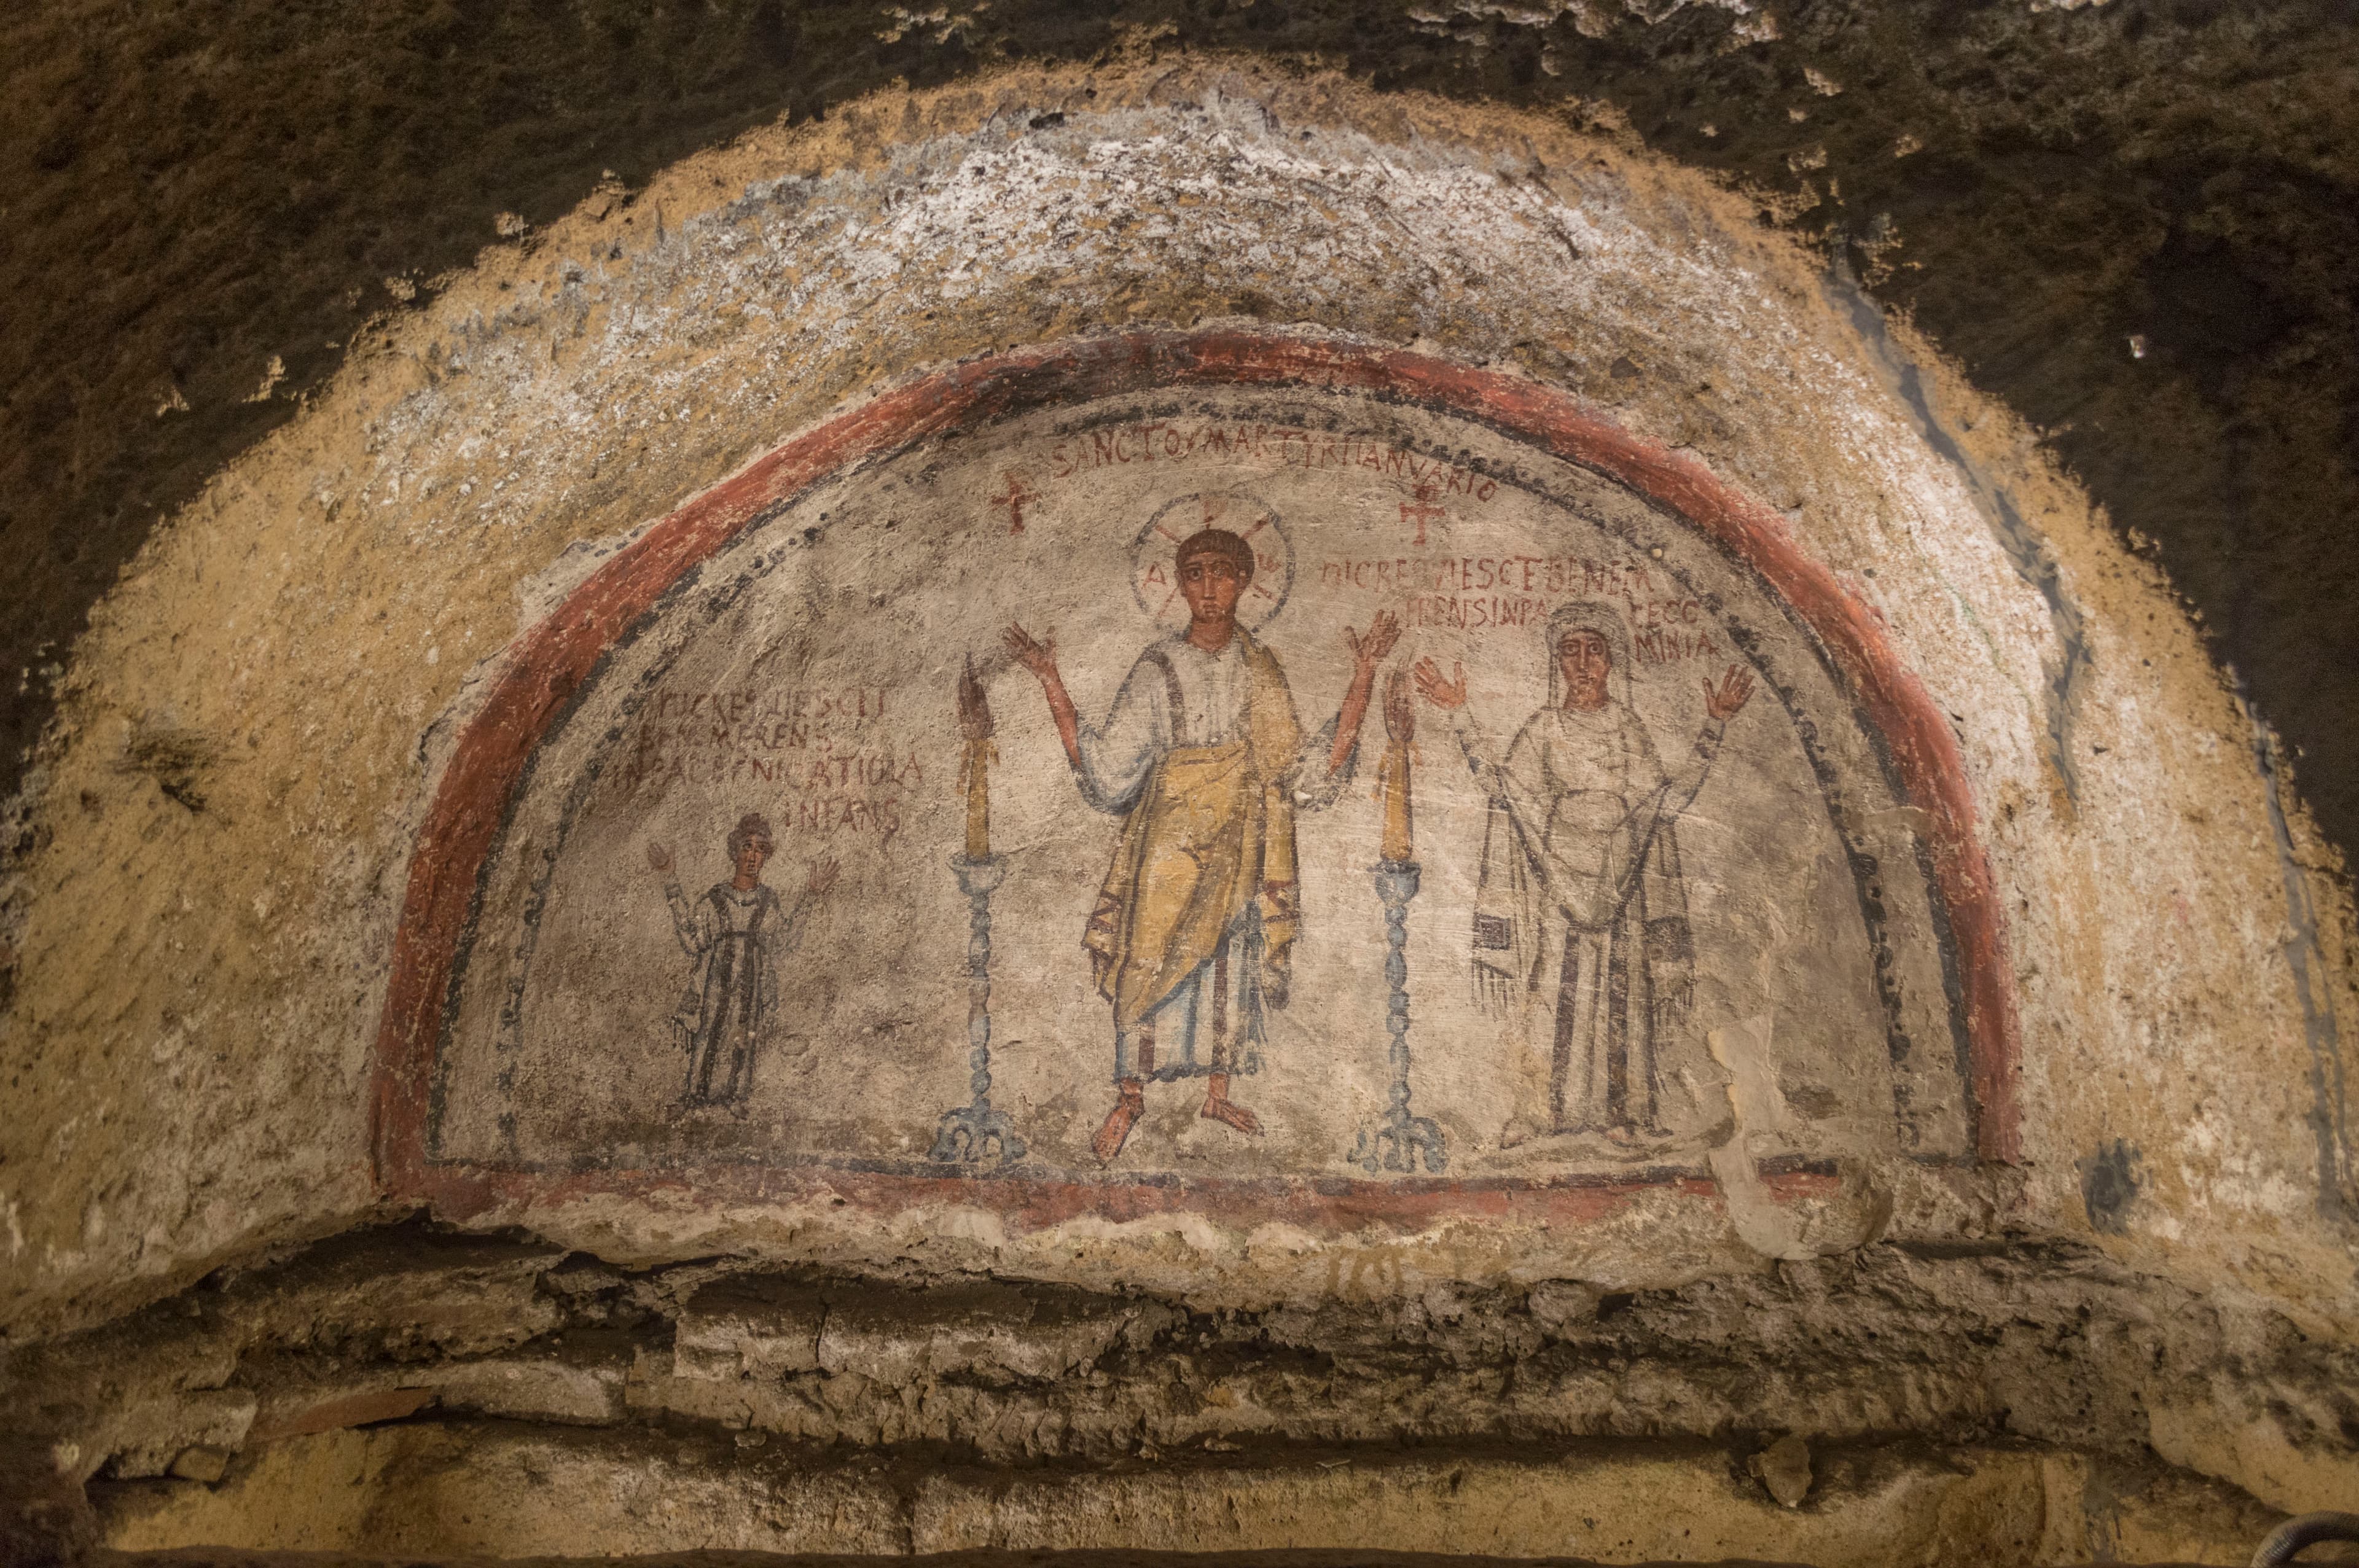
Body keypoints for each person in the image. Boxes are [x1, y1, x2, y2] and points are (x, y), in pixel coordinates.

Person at [1006, 525, 1399, 1163]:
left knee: (1229, 959)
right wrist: (1051, 679)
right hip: (1168, 837)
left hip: (1240, 838)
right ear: (1179, 585)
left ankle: (1217, 1092)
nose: (1209, 586)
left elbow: (1299, 768)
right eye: (1195, 573)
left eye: (1222, 572)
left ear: (1245, 582)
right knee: (1145, 956)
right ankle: (1129, 1095)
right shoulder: (1158, 667)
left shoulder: (1259, 668)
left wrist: (1364, 675)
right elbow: (1108, 769)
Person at [1414, 601, 1753, 1149]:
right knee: (1555, 990)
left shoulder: (1626, 728)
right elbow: (1504, 789)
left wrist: (1714, 726)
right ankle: (1542, 1113)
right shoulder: (1545, 728)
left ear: (1611, 661)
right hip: (1558, 876)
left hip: (1620, 879)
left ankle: (1625, 1113)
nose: (1582, 662)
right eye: (1570, 651)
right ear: (1557, 663)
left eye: (1594, 649)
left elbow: (1665, 802)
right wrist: (1460, 714)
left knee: (1622, 992)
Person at [646, 814, 838, 1115]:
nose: (753, 855)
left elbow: (784, 941)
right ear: (735, 851)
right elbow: (692, 938)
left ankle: (735, 1095)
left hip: (751, 982)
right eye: (747, 846)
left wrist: (811, 896)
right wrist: (670, 878)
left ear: (766, 857)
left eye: (760, 849)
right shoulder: (716, 899)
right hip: (715, 981)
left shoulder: (766, 901)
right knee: (709, 1031)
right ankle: (694, 1095)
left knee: (743, 1034)